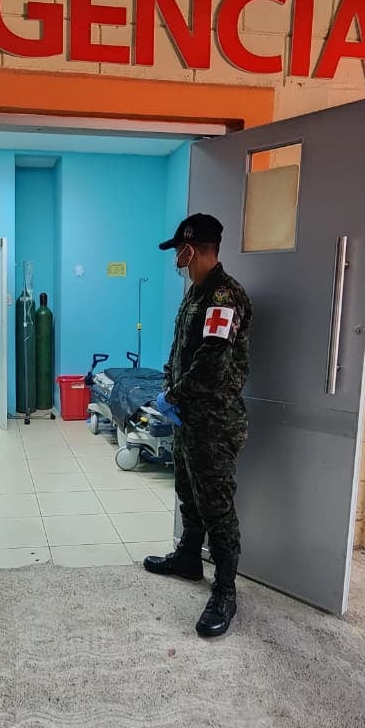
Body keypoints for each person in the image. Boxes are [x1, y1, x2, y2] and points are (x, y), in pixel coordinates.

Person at [143, 213, 252, 638]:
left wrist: (172, 395)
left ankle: (225, 590)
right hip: (190, 417)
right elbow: (181, 351)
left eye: (179, 251)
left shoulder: (223, 296)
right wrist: (168, 384)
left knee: (217, 506)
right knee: (188, 490)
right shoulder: (196, 294)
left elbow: (211, 361)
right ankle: (189, 558)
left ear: (192, 248)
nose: (176, 259)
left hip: (215, 421)